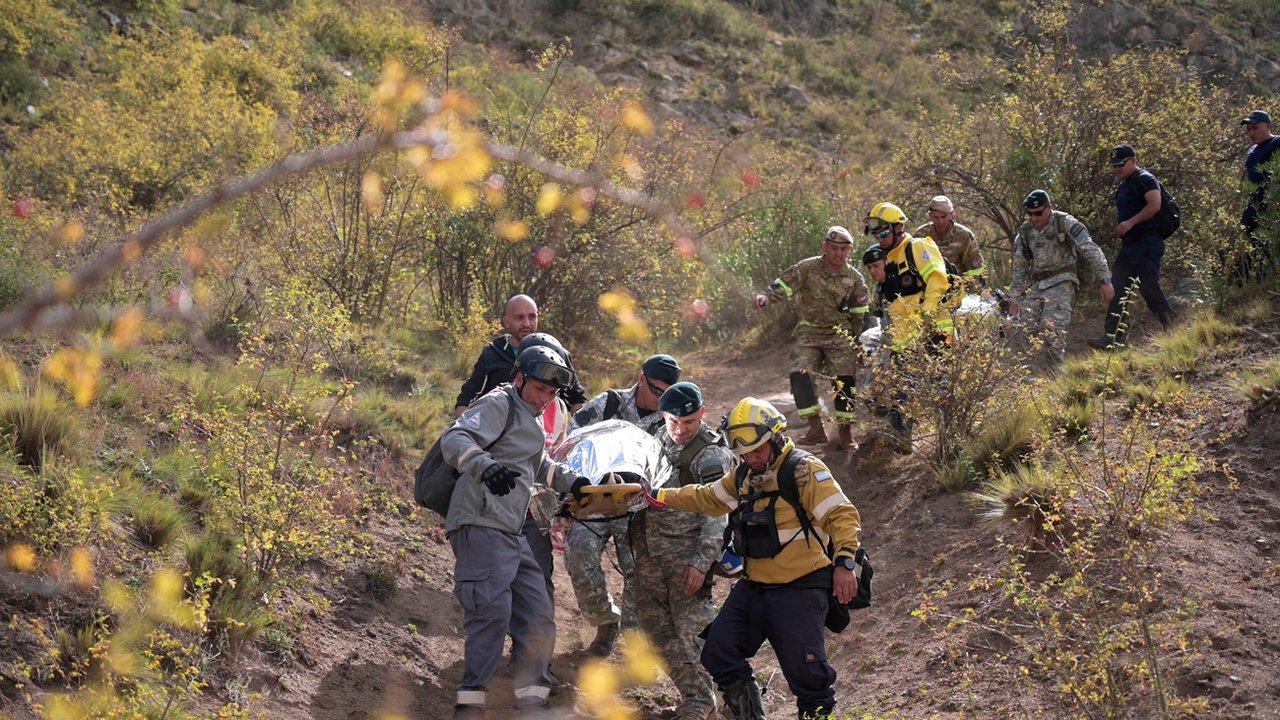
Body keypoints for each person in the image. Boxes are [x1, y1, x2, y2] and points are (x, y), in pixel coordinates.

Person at [652, 397, 862, 720]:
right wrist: (662, 496)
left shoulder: (803, 471)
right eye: (745, 453)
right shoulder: (744, 475)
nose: (752, 458)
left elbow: (842, 516)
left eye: (758, 451)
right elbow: (708, 497)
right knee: (719, 650)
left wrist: (845, 563)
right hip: (755, 588)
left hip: (801, 589)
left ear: (776, 438)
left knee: (808, 678)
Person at [440, 345, 591, 719]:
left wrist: (576, 484)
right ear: (520, 378)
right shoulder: (499, 404)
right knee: (491, 612)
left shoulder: (532, 416)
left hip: (512, 529)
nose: (546, 399)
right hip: (481, 522)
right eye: (540, 389)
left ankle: (531, 699)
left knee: (537, 613)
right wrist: (483, 465)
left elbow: (540, 465)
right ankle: (470, 702)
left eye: (552, 393)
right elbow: (455, 439)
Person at [564, 353, 682, 656]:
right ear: (641, 379)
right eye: (656, 390)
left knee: (639, 575)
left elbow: (676, 465)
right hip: (596, 500)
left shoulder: (672, 418)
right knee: (579, 555)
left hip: (639, 508)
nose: (660, 399)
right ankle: (605, 623)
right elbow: (572, 437)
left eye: (667, 393)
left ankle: (635, 646)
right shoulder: (609, 404)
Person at [632, 382, 735, 720]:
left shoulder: (711, 454)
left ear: (702, 414)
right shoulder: (652, 441)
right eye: (673, 421)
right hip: (648, 555)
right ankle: (696, 696)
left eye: (689, 422)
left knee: (696, 634)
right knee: (658, 631)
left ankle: (733, 698)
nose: (680, 429)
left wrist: (700, 563)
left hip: (686, 556)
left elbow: (717, 512)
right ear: (663, 415)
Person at [754, 226, 870, 449]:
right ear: (824, 247)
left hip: (839, 332)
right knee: (800, 373)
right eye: (834, 248)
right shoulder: (807, 267)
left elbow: (860, 315)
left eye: (843, 250)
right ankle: (816, 428)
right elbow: (785, 285)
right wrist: (765, 297)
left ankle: (845, 433)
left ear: (849, 251)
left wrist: (858, 345)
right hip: (810, 331)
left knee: (844, 379)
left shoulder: (854, 278)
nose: (838, 254)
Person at [1009, 189, 1113, 364]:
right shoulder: (1025, 232)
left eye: (1038, 213)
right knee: (1019, 329)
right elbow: (1019, 269)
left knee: (1051, 330)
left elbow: (1090, 249)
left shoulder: (1065, 223)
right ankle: (1029, 380)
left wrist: (1104, 279)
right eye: (1030, 214)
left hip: (1063, 280)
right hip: (1038, 285)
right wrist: (1014, 299)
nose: (1034, 218)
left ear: (1049, 208)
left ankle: (1055, 378)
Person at [1088, 145, 1175, 349]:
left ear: (1133, 160)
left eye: (1121, 164)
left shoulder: (1145, 178)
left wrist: (1131, 222)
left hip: (1147, 242)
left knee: (1149, 287)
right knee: (1116, 289)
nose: (1117, 168)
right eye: (1114, 165)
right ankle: (1112, 339)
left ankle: (1173, 327)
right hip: (1130, 246)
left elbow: (1155, 205)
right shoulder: (1125, 184)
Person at [454, 295, 588, 415]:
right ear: (506, 321)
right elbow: (468, 396)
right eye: (519, 317)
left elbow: (576, 399)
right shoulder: (493, 353)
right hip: (497, 432)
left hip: (544, 437)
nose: (526, 324)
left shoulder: (558, 354)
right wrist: (465, 432)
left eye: (532, 317)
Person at [862, 202, 954, 351]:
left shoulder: (917, 246)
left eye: (884, 233)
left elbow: (937, 279)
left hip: (934, 336)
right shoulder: (891, 258)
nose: (880, 238)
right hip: (906, 345)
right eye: (875, 234)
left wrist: (928, 314)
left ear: (898, 227)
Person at [1240, 110, 1279, 281]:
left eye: (1255, 128)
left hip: (1273, 206)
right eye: (1248, 129)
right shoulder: (1253, 150)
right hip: (1255, 206)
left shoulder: (1277, 142)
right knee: (1250, 246)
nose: (1251, 133)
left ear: (1267, 126)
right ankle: (1260, 286)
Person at [914, 195, 985, 281]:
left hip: (957, 287)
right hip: (929, 286)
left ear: (951, 214)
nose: (940, 221)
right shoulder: (921, 235)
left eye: (944, 217)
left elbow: (975, 271)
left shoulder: (964, 235)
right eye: (936, 217)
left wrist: (972, 291)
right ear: (930, 215)